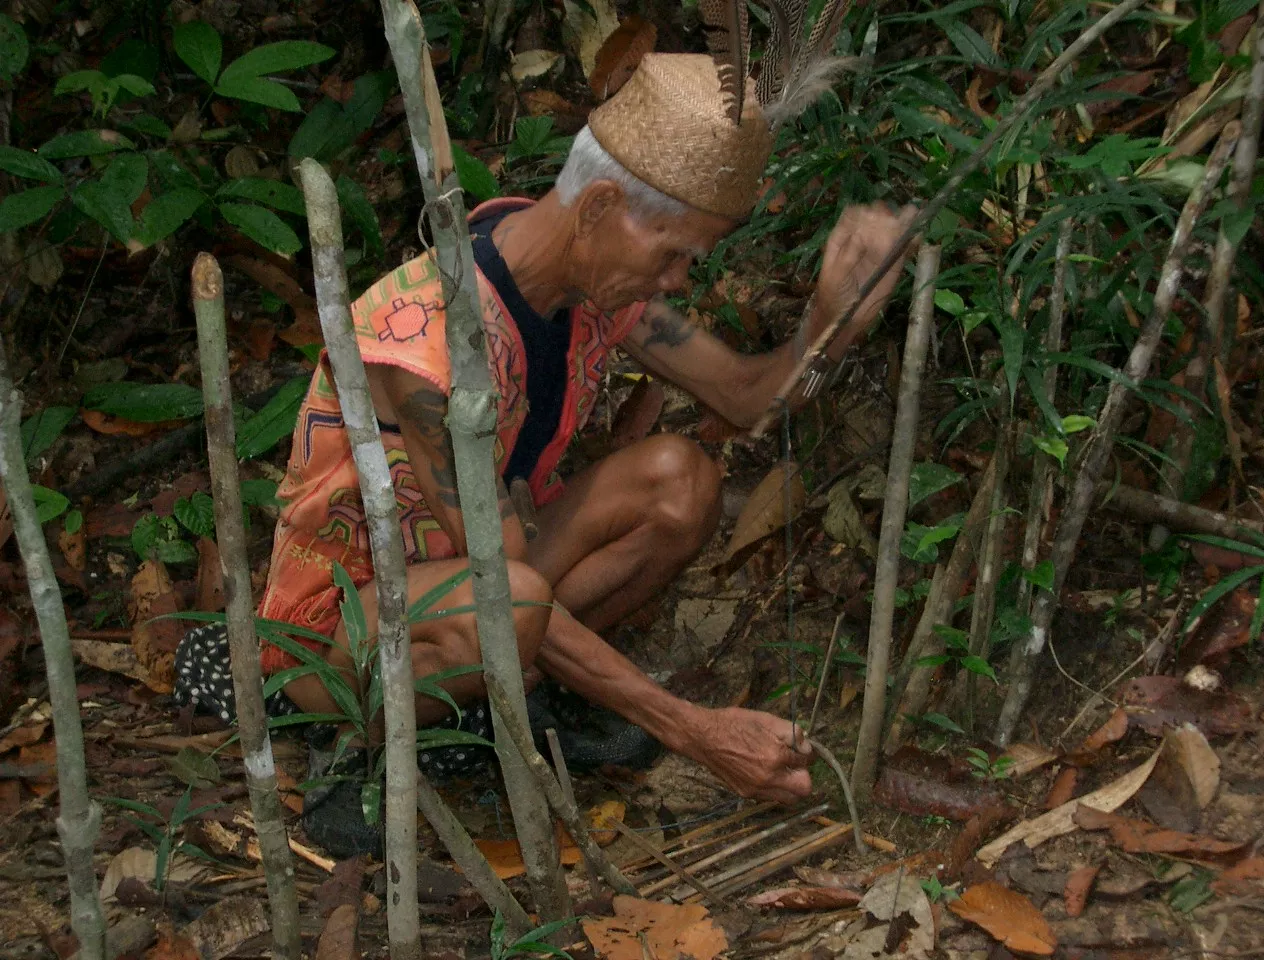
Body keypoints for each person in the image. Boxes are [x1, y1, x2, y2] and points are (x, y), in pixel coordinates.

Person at [174, 53, 915, 849]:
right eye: (671, 255)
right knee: (515, 600)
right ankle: (371, 748)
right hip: (336, 632)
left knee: (682, 482)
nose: (674, 282)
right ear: (598, 207)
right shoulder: (430, 345)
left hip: (490, 578)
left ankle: (520, 693)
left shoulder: (583, 286)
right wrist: (691, 729)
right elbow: (499, 585)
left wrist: (834, 325)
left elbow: (743, 396)